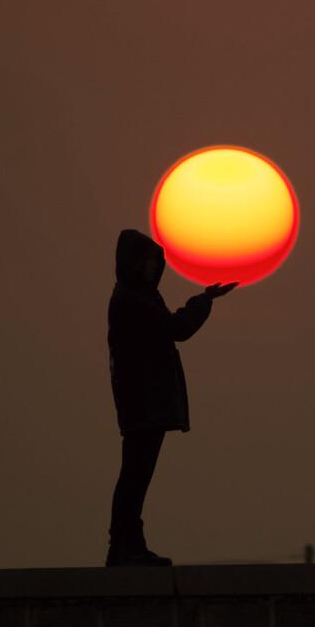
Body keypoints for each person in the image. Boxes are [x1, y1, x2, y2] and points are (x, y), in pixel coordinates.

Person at [105, 228, 237, 566]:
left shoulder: (140, 297)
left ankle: (127, 546)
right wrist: (202, 302)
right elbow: (177, 329)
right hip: (142, 405)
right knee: (135, 476)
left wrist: (202, 300)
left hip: (145, 404)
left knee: (136, 476)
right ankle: (125, 548)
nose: (153, 268)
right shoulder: (132, 300)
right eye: (148, 262)